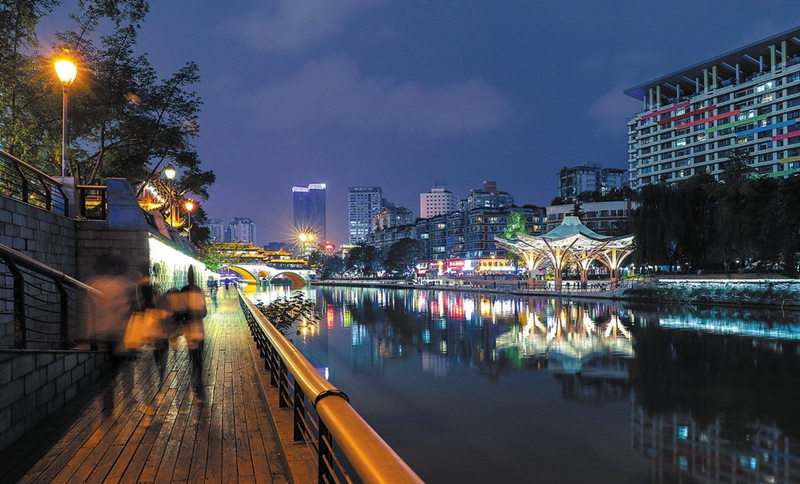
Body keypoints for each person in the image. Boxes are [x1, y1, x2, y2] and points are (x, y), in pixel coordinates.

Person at [182, 266, 207, 398]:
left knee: (192, 352)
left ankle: (195, 373)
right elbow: (204, 312)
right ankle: (198, 374)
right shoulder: (199, 291)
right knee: (199, 353)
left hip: (189, 327)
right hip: (198, 325)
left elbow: (180, 310)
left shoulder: (183, 291)